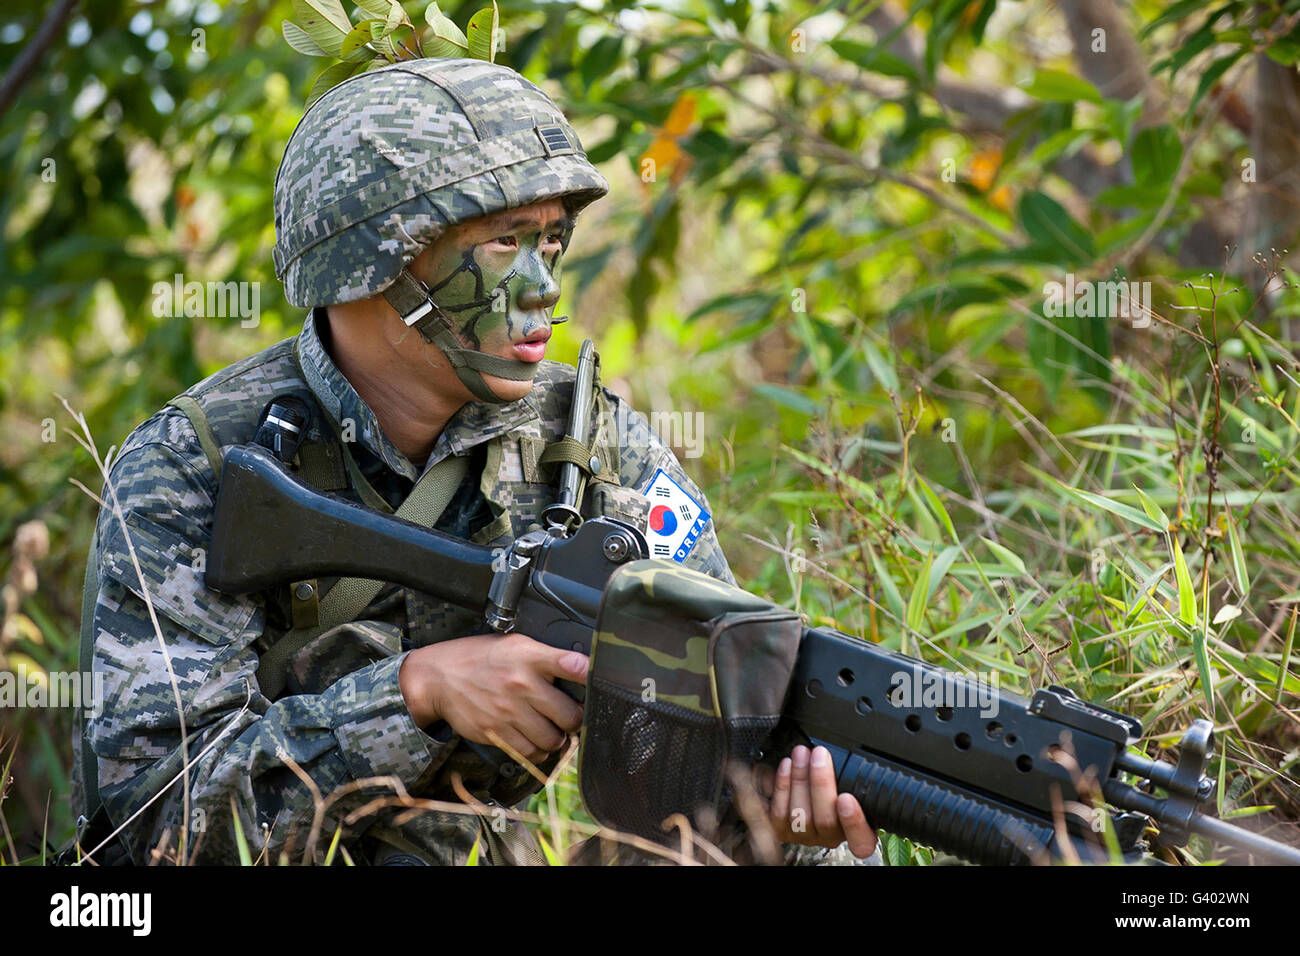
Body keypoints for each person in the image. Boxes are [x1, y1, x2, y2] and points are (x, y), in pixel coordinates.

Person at [75, 56, 878, 865]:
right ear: (372, 263)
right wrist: (416, 694)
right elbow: (147, 827)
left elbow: (724, 703)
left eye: (552, 241)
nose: (544, 290)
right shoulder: (195, 467)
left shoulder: (585, 438)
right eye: (503, 244)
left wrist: (766, 819)